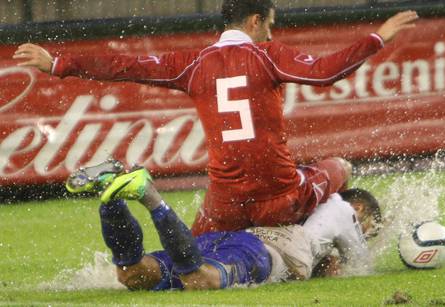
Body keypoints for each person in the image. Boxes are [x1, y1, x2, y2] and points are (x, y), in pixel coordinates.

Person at [13, 0, 415, 235]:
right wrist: (377, 38)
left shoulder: (192, 64)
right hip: (280, 197)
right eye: (270, 26)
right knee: (340, 167)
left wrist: (60, 63)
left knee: (191, 255)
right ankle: (343, 240)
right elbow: (326, 72)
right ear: (255, 21)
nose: (272, 35)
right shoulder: (267, 55)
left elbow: (127, 66)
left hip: (226, 204)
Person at [65, 159, 382, 290]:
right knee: (199, 279)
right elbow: (359, 265)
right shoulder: (342, 209)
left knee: (133, 274)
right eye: (370, 225)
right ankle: (149, 196)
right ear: (359, 208)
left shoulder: (307, 206)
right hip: (262, 253)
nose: (367, 232)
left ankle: (112, 199)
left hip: (228, 239)